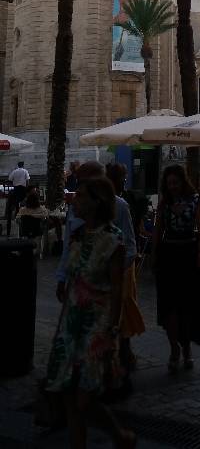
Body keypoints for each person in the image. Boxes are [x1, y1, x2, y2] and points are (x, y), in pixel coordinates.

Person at [45, 176, 136, 449]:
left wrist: (114, 330)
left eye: (82, 196)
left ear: (98, 202)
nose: (75, 199)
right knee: (70, 395)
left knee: (85, 398)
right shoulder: (76, 235)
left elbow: (118, 290)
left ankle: (118, 435)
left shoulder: (113, 241)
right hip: (71, 321)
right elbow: (74, 278)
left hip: (96, 326)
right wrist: (61, 323)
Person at [56, 162, 137, 305]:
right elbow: (67, 246)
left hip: (102, 294)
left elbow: (130, 249)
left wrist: (106, 272)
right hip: (77, 288)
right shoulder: (75, 206)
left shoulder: (120, 207)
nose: (81, 188)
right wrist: (62, 278)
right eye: (80, 182)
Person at [152, 165, 200, 373]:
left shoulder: (196, 200)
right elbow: (158, 229)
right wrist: (154, 254)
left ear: (183, 182)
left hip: (188, 255)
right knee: (169, 307)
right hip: (169, 255)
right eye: (169, 183)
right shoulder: (165, 202)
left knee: (187, 306)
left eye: (175, 182)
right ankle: (173, 347)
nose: (172, 186)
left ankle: (186, 349)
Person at [105, 164, 145, 383]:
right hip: (113, 270)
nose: (125, 182)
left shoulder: (121, 205)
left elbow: (129, 243)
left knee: (124, 306)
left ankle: (123, 352)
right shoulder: (118, 205)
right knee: (123, 306)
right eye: (122, 178)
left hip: (120, 268)